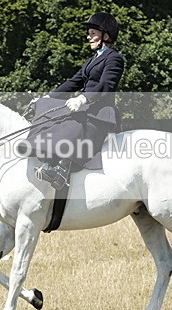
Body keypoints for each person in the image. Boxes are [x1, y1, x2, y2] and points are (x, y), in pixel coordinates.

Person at [19, 12, 125, 190]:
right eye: (89, 33)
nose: (88, 37)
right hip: (86, 109)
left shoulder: (114, 59)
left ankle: (61, 171)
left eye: (92, 33)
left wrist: (84, 98)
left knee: (73, 121)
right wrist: (47, 97)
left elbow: (106, 85)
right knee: (49, 107)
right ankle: (38, 149)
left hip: (100, 114)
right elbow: (73, 82)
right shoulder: (92, 60)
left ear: (105, 35)